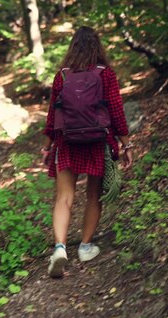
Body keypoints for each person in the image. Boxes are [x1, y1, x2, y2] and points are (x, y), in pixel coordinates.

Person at [41, 26, 134, 278]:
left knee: (64, 198)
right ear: (97, 47)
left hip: (67, 142)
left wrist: (47, 146)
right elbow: (116, 112)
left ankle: (60, 248)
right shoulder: (105, 74)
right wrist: (126, 145)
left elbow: (52, 115)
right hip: (97, 141)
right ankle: (85, 246)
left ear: (72, 48)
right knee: (94, 195)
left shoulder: (61, 75)